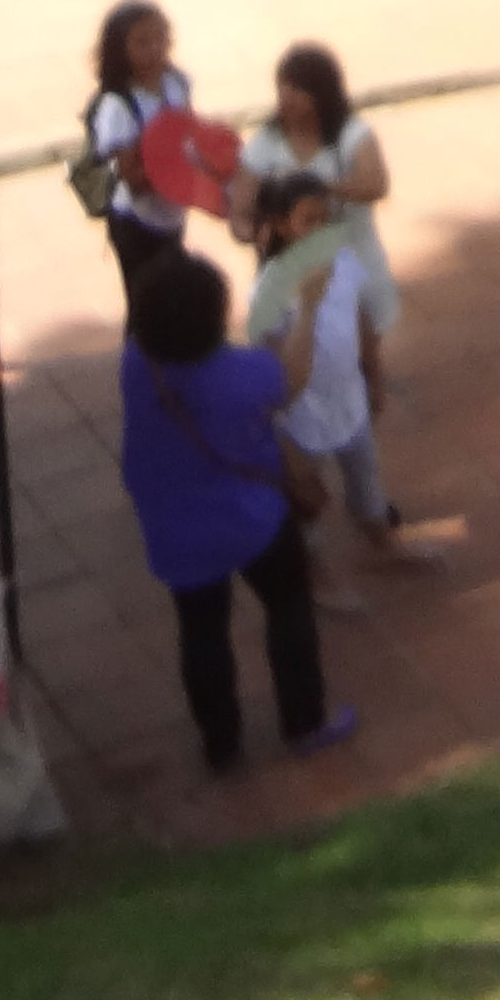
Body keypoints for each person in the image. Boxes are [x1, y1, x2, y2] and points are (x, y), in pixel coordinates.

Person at [116, 244, 357, 777]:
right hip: (250, 519)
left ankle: (221, 748)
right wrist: (310, 305)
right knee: (287, 605)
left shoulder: (137, 360)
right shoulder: (237, 374)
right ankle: (304, 723)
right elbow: (291, 377)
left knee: (201, 630)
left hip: (172, 522)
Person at [253, 184, 408, 568]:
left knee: (366, 475)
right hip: (303, 415)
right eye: (309, 220)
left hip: (349, 397)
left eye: (326, 218)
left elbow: (361, 319)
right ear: (281, 225)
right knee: (308, 496)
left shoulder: (344, 260)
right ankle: (315, 568)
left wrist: (374, 376)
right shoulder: (270, 290)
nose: (321, 229)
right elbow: (269, 365)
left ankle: (382, 542)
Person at [228, 42, 398, 322]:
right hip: (287, 272)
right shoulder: (265, 142)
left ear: (323, 94)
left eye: (298, 89)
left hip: (355, 256)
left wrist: (318, 186)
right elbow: (239, 212)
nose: (287, 97)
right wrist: (256, 233)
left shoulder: (352, 133)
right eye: (283, 87)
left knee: (366, 347)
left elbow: (376, 184)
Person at [85, 0, 199, 319]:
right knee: (146, 310)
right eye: (142, 42)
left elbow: (190, 129)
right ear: (120, 50)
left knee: (172, 303)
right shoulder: (118, 106)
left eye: (161, 37)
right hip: (136, 222)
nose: (155, 49)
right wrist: (179, 171)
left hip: (172, 213)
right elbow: (134, 180)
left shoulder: (177, 83)